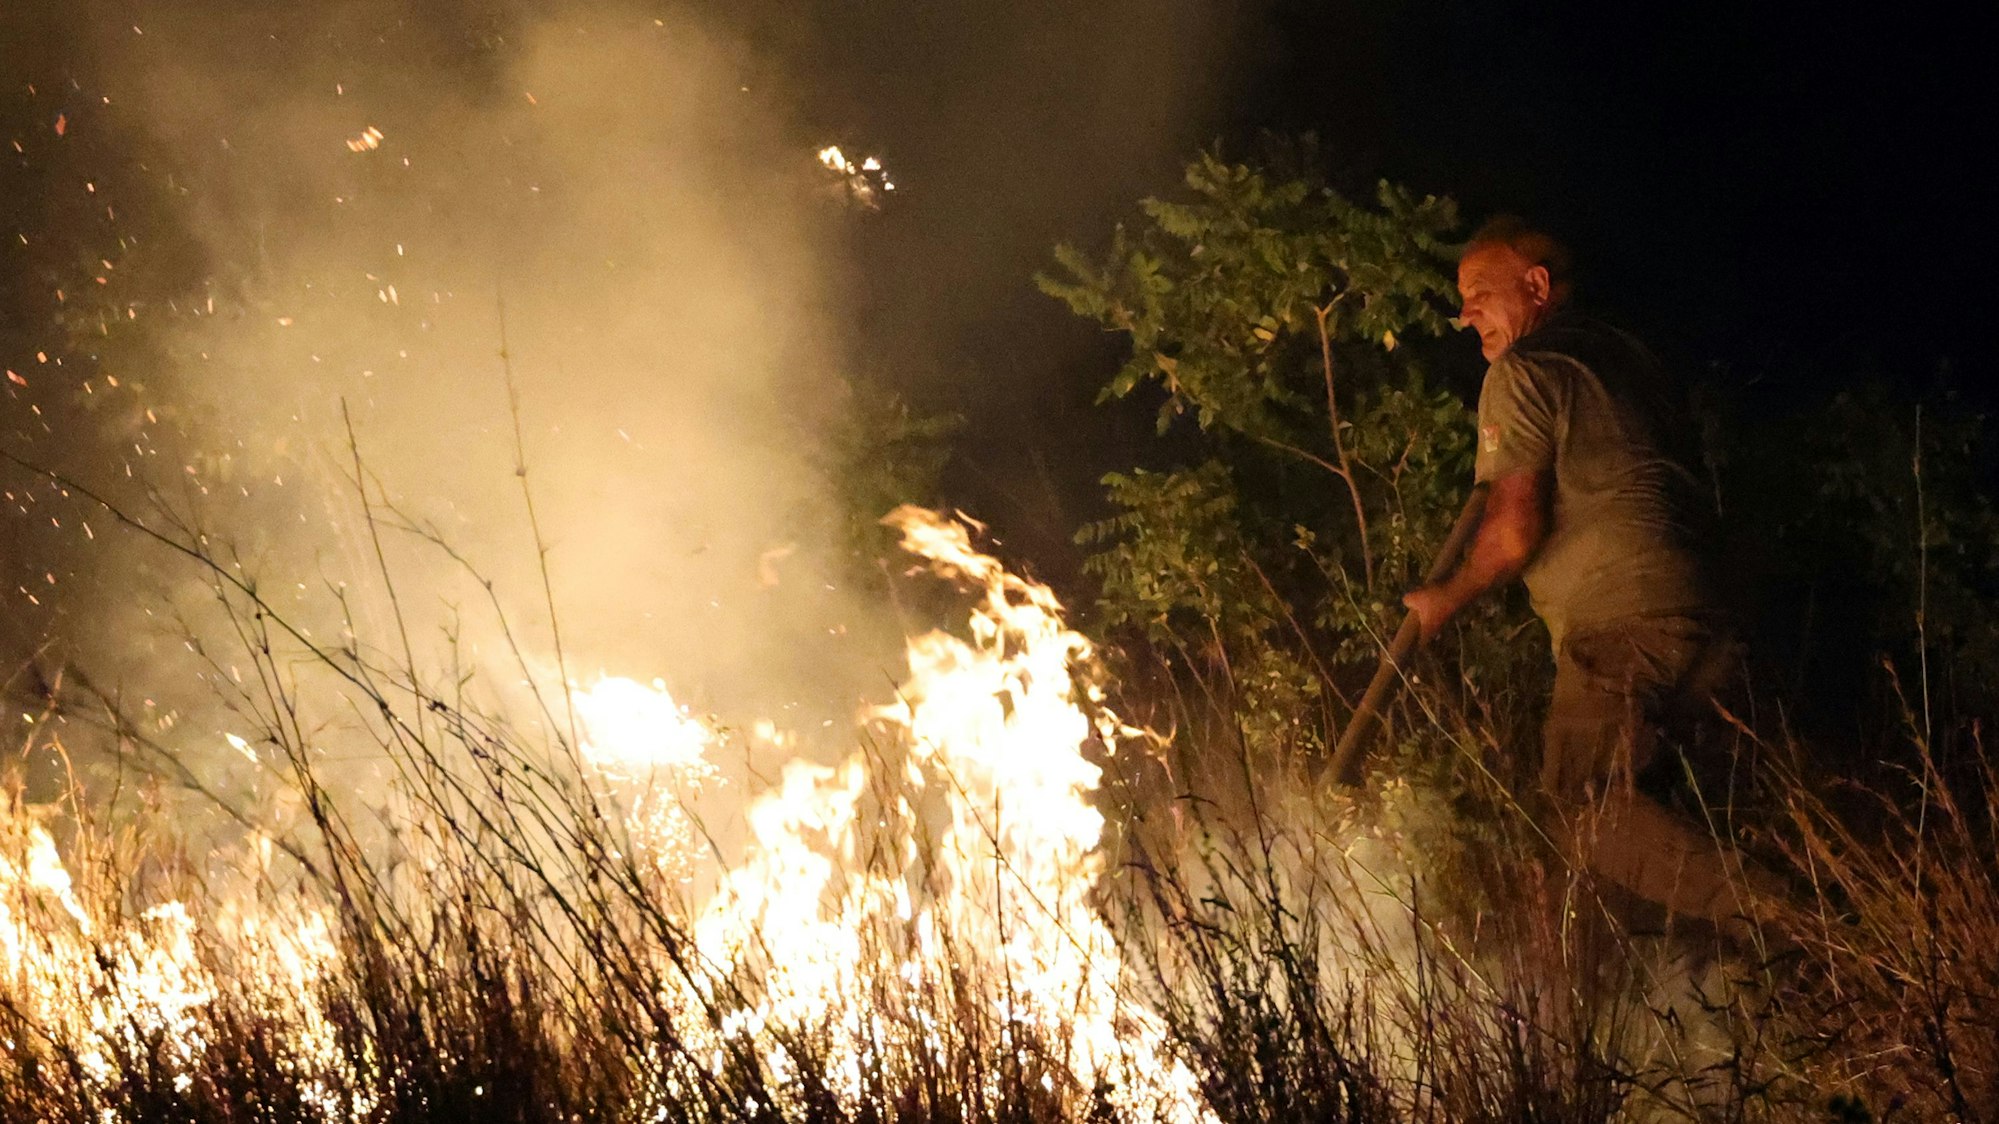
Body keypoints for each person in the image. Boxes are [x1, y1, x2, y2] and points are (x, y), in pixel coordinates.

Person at [1402, 216, 1780, 940]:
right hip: (1706, 618)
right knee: (1657, 835)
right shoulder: (1628, 358)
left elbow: (1513, 530)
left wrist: (1444, 599)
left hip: (1624, 624)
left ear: (1535, 285)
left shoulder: (1520, 372)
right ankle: (1707, 1007)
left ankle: (1814, 929)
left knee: (1586, 806)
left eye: (1480, 292)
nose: (1464, 314)